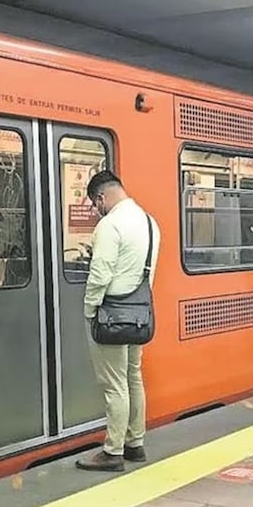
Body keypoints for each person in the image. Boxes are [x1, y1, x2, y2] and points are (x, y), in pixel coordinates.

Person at [77, 170, 161, 472]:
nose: (96, 209)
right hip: (138, 314)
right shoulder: (150, 223)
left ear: (101, 197)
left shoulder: (109, 225)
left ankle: (113, 451)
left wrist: (90, 310)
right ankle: (135, 443)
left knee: (114, 385)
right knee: (133, 377)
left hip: (111, 314)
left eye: (94, 203)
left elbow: (100, 274)